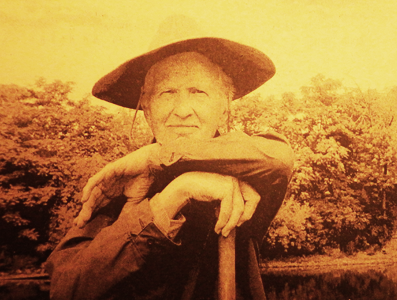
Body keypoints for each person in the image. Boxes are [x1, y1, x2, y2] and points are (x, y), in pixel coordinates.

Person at [45, 38, 294, 299]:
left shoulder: (249, 168)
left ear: (223, 109)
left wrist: (158, 156)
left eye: (198, 92)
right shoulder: (119, 184)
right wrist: (175, 194)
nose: (183, 110)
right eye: (167, 93)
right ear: (147, 109)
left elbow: (280, 158)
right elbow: (65, 288)